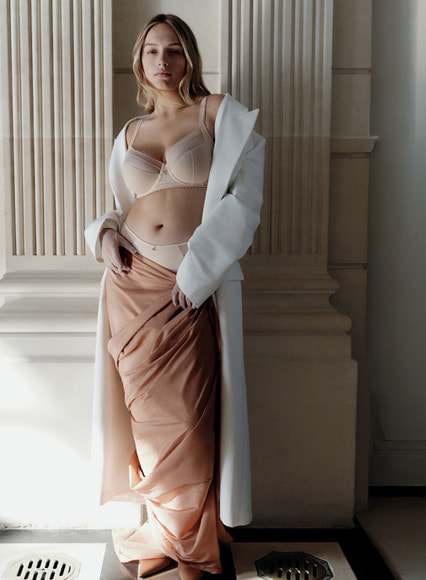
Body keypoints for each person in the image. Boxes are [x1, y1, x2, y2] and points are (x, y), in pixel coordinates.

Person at [83, 13, 265, 580]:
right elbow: (120, 206)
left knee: (188, 415)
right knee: (145, 423)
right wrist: (103, 235)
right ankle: (164, 533)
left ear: (190, 57)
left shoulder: (219, 115)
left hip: (190, 285)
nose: (162, 62)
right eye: (152, 51)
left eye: (174, 51)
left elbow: (244, 203)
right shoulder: (130, 132)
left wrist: (197, 273)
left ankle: (191, 541)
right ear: (139, 61)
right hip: (130, 285)